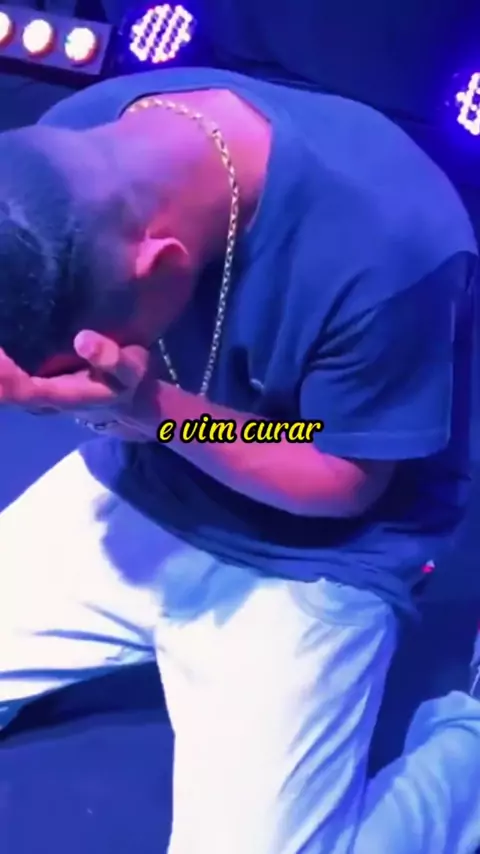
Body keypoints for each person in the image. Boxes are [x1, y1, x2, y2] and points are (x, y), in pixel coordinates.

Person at [0, 65, 478, 854]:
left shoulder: (388, 241)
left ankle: (469, 749)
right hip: (147, 484)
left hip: (315, 553)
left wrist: (152, 411)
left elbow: (343, 476)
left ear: (161, 262)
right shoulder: (74, 144)